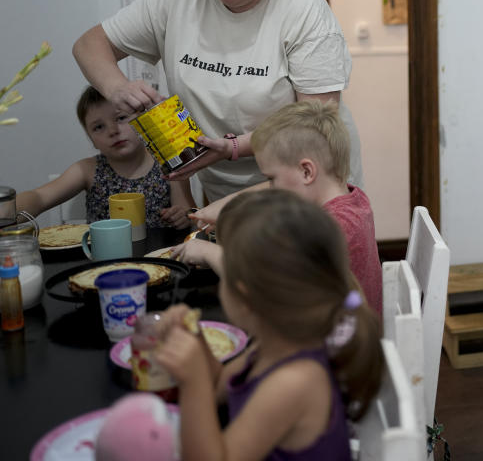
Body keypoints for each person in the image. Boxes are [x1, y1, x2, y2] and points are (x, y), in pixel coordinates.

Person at [72, 0, 363, 203]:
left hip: (306, 184)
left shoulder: (304, 11)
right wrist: (117, 88)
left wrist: (233, 147)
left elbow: (314, 125)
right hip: (224, 187)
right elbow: (89, 45)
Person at [155, 189, 383, 460]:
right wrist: (196, 340)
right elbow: (218, 387)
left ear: (245, 297)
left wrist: (192, 382)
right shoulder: (271, 345)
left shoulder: (293, 381)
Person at [174, 100, 383, 317]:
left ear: (306, 172)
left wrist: (211, 254)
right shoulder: (353, 200)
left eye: (272, 179)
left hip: (334, 344)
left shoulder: (331, 228)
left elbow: (265, 290)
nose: (270, 188)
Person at [15, 86, 193, 229]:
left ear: (142, 119)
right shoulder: (87, 170)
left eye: (121, 118)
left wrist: (183, 217)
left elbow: (189, 214)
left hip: (160, 259)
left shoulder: (169, 162)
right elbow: (39, 197)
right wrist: (7, 212)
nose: (113, 131)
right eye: (99, 127)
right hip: (102, 264)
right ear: (91, 138)